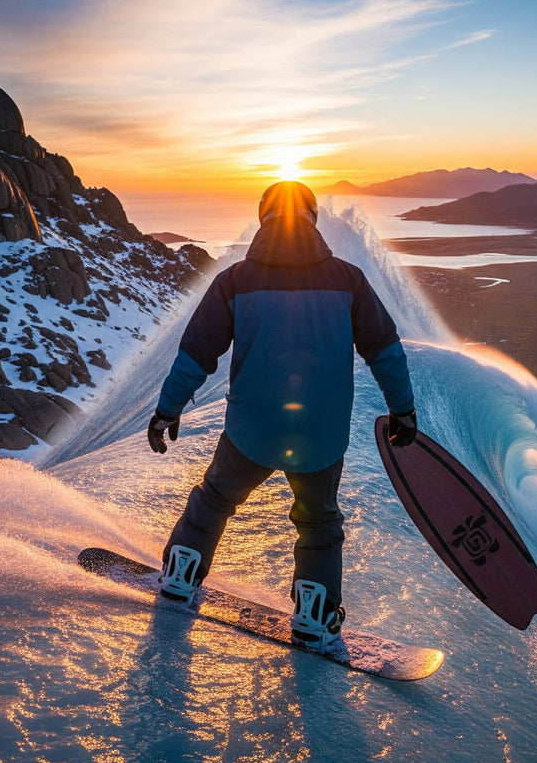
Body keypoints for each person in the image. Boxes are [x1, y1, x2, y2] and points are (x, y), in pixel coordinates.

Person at [146, 180, 417, 651]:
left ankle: (181, 573)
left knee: (214, 500)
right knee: (318, 524)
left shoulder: (234, 281)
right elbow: (386, 352)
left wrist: (168, 410)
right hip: (321, 434)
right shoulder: (348, 279)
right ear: (311, 217)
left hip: (251, 429)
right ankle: (314, 616)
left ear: (263, 216)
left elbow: (195, 355)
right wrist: (403, 411)